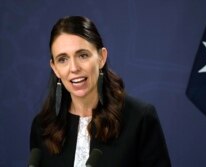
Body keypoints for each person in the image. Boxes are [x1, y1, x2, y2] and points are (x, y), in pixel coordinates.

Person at [30, 16, 171, 167]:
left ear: (101, 58)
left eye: (83, 55)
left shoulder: (140, 118)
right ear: (55, 68)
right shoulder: (42, 126)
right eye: (63, 59)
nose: (74, 68)